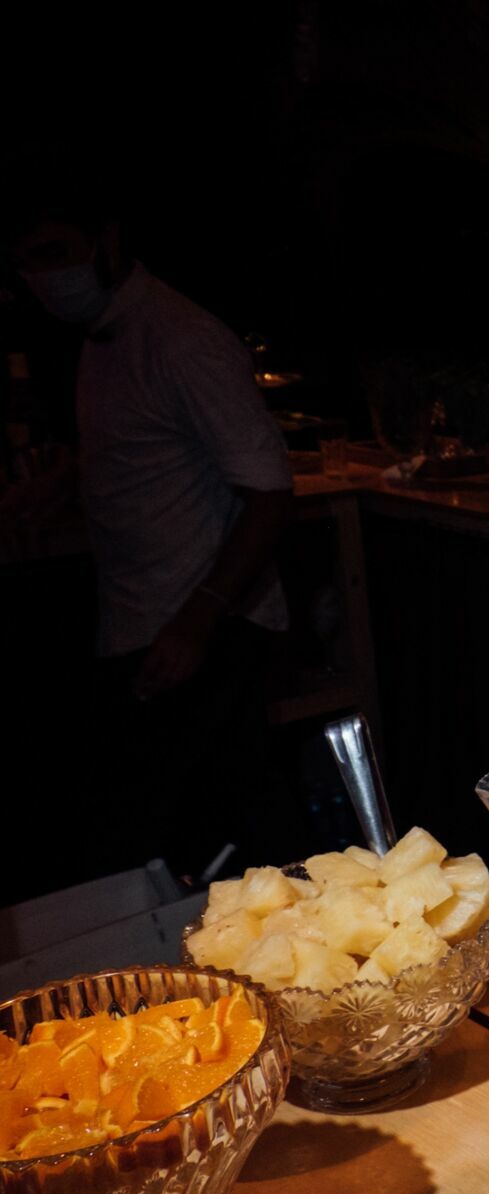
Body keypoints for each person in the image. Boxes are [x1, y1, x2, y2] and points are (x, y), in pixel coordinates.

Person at [5, 180, 294, 878]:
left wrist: (198, 620)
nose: (44, 276)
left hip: (206, 630)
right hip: (138, 623)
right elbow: (139, 444)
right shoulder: (100, 341)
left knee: (212, 846)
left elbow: (269, 491)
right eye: (27, 262)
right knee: (155, 844)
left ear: (106, 240)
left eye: (54, 253)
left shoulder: (181, 338)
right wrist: (64, 484)